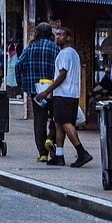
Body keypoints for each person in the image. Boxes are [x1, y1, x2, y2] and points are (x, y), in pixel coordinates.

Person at [34, 27, 93, 168]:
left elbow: (62, 74)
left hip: (63, 94)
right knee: (58, 124)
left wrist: (46, 91)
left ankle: (82, 152)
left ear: (68, 37)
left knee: (66, 123)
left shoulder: (65, 54)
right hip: (71, 94)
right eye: (56, 35)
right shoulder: (73, 53)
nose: (57, 37)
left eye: (61, 35)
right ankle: (59, 155)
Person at [16, 23, 60, 162]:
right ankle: (50, 138)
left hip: (36, 91)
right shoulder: (55, 48)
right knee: (55, 118)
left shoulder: (30, 48)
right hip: (52, 89)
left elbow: (18, 64)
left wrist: (21, 82)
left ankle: (42, 153)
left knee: (39, 121)